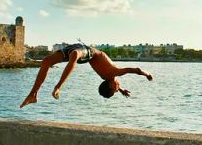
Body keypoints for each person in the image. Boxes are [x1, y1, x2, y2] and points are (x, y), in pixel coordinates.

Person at [20, 43, 153, 108]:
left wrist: (122, 89)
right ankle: (33, 95)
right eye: (116, 89)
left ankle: (57, 86)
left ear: (111, 85)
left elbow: (117, 79)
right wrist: (147, 74)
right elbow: (135, 69)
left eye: (116, 89)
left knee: (74, 56)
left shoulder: (111, 75)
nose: (118, 88)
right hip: (81, 48)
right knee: (46, 61)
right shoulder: (112, 75)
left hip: (86, 52)